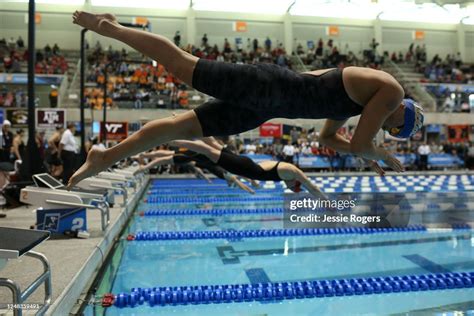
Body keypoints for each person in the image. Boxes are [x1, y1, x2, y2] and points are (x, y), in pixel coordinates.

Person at [68, 12, 424, 188]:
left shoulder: (356, 105)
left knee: (178, 128)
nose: (387, 133)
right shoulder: (391, 91)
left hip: (264, 109)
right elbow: (362, 143)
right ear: (400, 118)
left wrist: (365, 152)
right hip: (267, 86)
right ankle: (112, 28)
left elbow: (328, 139)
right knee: (181, 65)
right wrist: (372, 152)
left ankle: (105, 157)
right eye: (393, 132)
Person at [169, 138, 326, 198]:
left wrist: (253, 181)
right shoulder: (291, 171)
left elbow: (259, 168)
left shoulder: (283, 173)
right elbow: (311, 186)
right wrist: (326, 202)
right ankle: (179, 141)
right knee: (208, 150)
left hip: (245, 166)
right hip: (243, 167)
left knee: (213, 145)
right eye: (294, 188)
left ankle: (193, 128)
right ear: (295, 182)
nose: (290, 188)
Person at [136, 148, 255, 194]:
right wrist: (250, 190)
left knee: (167, 156)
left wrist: (252, 181)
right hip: (196, 157)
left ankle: (145, 155)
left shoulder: (226, 172)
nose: (231, 183)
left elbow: (241, 174)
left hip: (197, 157)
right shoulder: (229, 176)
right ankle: (145, 162)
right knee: (165, 158)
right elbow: (240, 180)